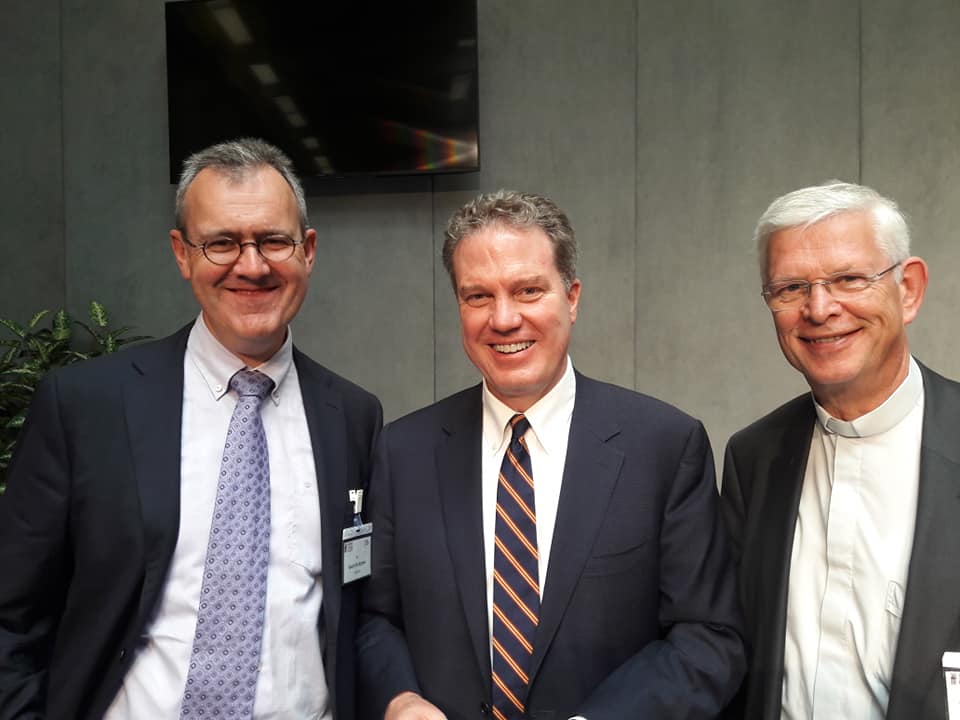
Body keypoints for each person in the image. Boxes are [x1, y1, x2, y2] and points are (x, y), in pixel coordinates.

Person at [0, 138, 382, 719]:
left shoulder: (353, 417)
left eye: (273, 240)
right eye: (222, 243)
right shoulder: (86, 406)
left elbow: (361, 609)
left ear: (307, 250)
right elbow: (11, 615)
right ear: (182, 254)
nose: (251, 266)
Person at [357, 190, 744, 720]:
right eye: (478, 297)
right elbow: (371, 618)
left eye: (528, 290)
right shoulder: (403, 453)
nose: (504, 318)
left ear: (573, 296)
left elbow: (707, 635)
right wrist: (399, 701)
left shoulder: (664, 446)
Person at [721, 180, 960, 719]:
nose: (819, 308)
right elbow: (730, 650)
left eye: (850, 279)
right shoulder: (752, 459)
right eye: (790, 288)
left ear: (909, 289)